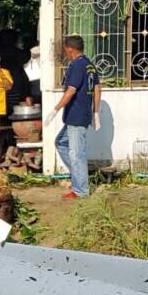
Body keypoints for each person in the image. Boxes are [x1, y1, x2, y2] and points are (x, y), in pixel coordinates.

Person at [52, 35, 102, 200]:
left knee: (77, 153)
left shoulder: (77, 66)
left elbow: (71, 90)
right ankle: (79, 178)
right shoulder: (89, 65)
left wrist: (55, 109)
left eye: (65, 49)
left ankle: (81, 190)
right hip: (82, 114)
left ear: (69, 49)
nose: (65, 52)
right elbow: (97, 89)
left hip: (76, 115)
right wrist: (95, 112)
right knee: (61, 142)